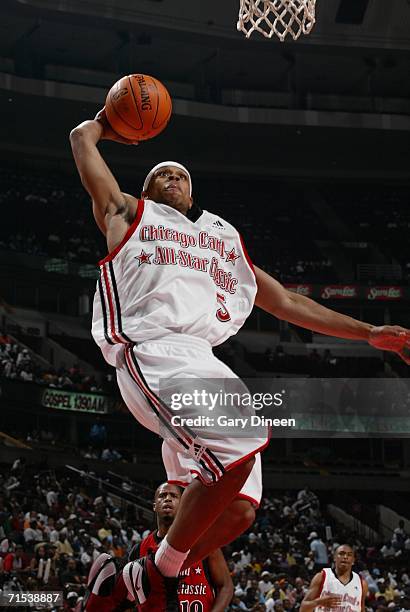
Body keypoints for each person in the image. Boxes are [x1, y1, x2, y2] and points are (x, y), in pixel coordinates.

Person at [70, 110, 410, 611]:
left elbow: (288, 302)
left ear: (192, 191)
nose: (172, 179)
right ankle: (156, 573)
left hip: (204, 359)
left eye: (181, 175)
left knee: (241, 511)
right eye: (161, 174)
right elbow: (81, 140)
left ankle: (132, 580)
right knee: (240, 442)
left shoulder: (220, 239)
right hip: (153, 348)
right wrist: (106, 121)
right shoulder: (128, 213)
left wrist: (369, 332)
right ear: (146, 188)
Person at [80, 483, 233, 612]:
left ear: (183, 505)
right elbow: (130, 595)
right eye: (162, 495)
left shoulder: (202, 539)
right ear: (154, 506)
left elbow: (225, 586)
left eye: (173, 496)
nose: (167, 499)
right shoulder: (139, 549)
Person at [300, 544, 368, 612]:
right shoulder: (322, 577)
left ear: (353, 560)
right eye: (341, 554)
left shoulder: (361, 583)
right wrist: (318, 602)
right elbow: (303, 608)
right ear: (334, 557)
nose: (345, 557)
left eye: (349, 555)